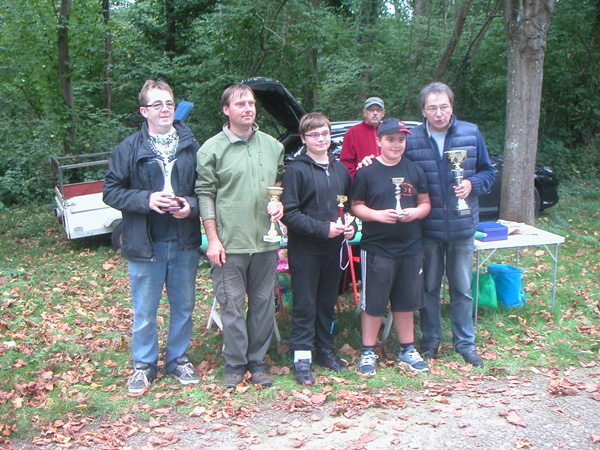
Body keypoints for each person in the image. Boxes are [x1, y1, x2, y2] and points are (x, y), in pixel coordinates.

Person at [103, 79, 202, 394]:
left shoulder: (191, 145)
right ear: (144, 111)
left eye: (169, 103)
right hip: (145, 243)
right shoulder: (128, 148)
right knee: (145, 311)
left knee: (184, 306)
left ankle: (177, 360)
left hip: (184, 240)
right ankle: (144, 366)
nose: (164, 109)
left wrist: (192, 206)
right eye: (157, 104)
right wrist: (146, 200)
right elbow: (111, 191)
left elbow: (206, 190)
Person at [195, 83, 285, 388]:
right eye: (240, 104)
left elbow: (279, 188)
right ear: (226, 110)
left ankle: (257, 362)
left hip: (265, 242)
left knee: (262, 304)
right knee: (231, 305)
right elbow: (205, 194)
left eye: (251, 103)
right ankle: (234, 364)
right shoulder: (211, 149)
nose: (248, 108)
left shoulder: (273, 146)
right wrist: (213, 239)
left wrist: (280, 207)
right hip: (229, 244)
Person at [405, 82, 495, 367]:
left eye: (443, 106)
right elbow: (399, 172)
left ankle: (465, 344)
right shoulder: (413, 139)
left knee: (462, 289)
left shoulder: (470, 132)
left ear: (451, 107)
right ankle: (431, 342)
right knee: (429, 289)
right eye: (432, 107)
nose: (439, 112)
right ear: (423, 111)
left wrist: (472, 183)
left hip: (462, 226)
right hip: (428, 228)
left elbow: (488, 171)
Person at [351, 118, 431, 376]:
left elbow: (425, 203)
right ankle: (367, 351)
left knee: (406, 302)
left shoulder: (415, 170)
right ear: (379, 142)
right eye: (390, 139)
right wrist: (377, 215)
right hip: (377, 248)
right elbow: (356, 206)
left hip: (410, 247)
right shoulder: (367, 172)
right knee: (373, 303)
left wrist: (415, 213)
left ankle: (407, 349)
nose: (396, 145)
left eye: (401, 140)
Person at [280, 113, 355, 386]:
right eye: (314, 135)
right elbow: (289, 214)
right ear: (303, 139)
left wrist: (350, 226)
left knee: (326, 303)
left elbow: (346, 208)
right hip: (305, 249)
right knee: (305, 304)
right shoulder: (296, 171)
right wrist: (322, 229)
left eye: (324, 133)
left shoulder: (341, 170)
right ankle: (302, 357)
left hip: (334, 248)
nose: (320, 139)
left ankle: (325, 350)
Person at [339, 97, 385, 179]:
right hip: (363, 183)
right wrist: (356, 180)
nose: (375, 113)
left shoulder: (388, 131)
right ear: (365, 112)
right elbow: (346, 162)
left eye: (378, 110)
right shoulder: (353, 132)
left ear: (383, 113)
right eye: (371, 110)